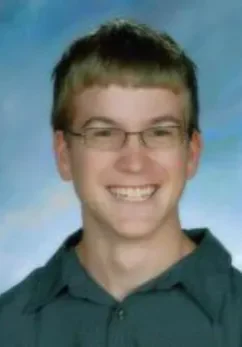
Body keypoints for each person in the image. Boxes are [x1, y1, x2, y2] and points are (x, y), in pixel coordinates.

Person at [0, 18, 241, 347]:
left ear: (191, 154)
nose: (134, 161)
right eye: (103, 132)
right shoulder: (8, 326)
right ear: (64, 154)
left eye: (159, 133)